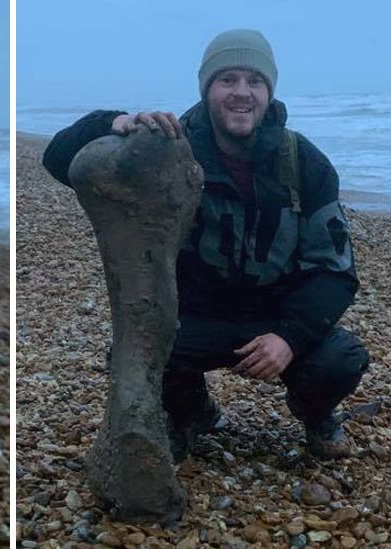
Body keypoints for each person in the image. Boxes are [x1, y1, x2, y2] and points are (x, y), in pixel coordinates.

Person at [42, 29, 368, 460]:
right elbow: (59, 160)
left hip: (275, 314)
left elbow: (336, 272)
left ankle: (315, 411)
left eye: (254, 81)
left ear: (269, 90)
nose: (241, 93)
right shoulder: (169, 148)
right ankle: (192, 411)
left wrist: (289, 337)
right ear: (207, 88)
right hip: (194, 314)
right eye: (227, 80)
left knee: (341, 358)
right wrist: (112, 124)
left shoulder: (305, 163)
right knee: (136, 357)